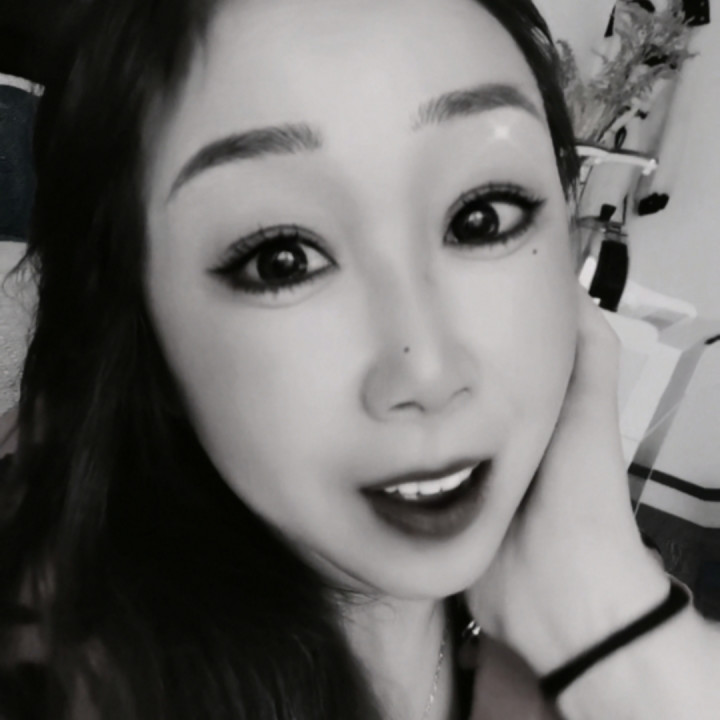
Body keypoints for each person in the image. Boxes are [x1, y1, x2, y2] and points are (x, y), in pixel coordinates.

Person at [1, 0, 719, 718]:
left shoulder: (606, 594)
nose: (429, 373)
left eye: (483, 217)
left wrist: (603, 616)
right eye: (281, 259)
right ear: (137, 326)